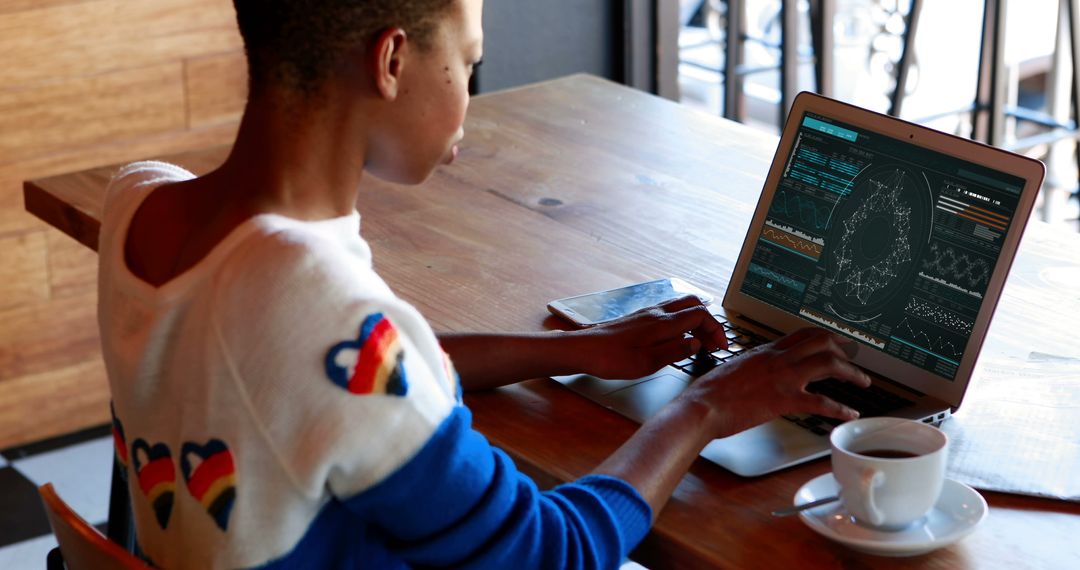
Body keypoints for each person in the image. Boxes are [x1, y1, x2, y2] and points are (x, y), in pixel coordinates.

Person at [99, 0, 870, 568]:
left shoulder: (140, 203)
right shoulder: (309, 296)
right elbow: (551, 552)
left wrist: (578, 348)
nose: (470, 92)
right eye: (468, 64)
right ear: (391, 61)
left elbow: (336, 382)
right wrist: (708, 405)